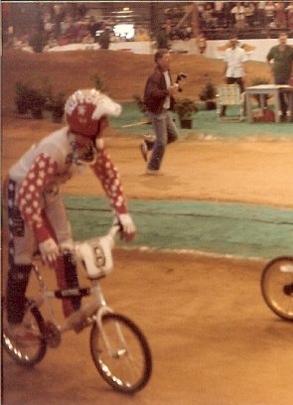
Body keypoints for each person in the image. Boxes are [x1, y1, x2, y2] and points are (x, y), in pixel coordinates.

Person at [4, 89, 137, 342]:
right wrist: (43, 237)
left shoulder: (91, 145)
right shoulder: (55, 148)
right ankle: (14, 322)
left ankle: (71, 309)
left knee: (66, 247)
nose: (106, 125)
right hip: (21, 190)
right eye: (102, 120)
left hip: (49, 192)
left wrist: (122, 214)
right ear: (87, 123)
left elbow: (109, 177)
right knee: (22, 257)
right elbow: (27, 195)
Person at [139, 49, 180, 175]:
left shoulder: (167, 72)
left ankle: (149, 144)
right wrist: (168, 91)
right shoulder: (155, 75)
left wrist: (174, 88)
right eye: (166, 58)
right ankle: (152, 168)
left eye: (169, 58)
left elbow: (167, 88)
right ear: (158, 60)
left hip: (165, 109)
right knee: (162, 141)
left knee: (173, 136)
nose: (169, 60)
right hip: (157, 111)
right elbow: (153, 93)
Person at [266, 32, 293, 121]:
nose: (283, 41)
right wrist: (271, 69)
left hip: (288, 75)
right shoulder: (273, 49)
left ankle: (292, 114)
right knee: (280, 95)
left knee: (291, 94)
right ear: (278, 40)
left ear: (286, 40)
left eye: (284, 39)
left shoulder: (291, 49)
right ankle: (283, 114)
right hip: (278, 75)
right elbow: (268, 58)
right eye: (281, 39)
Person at [220, 33, 247, 118]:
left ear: (236, 41)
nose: (233, 42)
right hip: (230, 73)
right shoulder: (227, 51)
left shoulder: (241, 51)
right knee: (226, 93)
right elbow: (226, 63)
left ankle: (245, 110)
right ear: (229, 41)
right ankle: (223, 111)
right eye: (231, 40)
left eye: (234, 40)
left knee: (242, 93)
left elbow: (243, 63)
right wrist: (224, 74)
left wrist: (244, 74)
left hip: (239, 73)